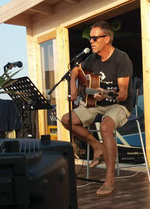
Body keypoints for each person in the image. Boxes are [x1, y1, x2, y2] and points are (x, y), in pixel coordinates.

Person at [61, 21, 133, 195]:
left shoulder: (121, 59)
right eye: (90, 38)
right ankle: (97, 146)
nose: (91, 42)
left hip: (118, 104)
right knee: (67, 120)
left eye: (94, 38)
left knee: (106, 126)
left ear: (106, 39)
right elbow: (76, 70)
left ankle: (109, 179)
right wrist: (74, 84)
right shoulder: (92, 59)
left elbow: (122, 94)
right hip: (95, 104)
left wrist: (107, 93)